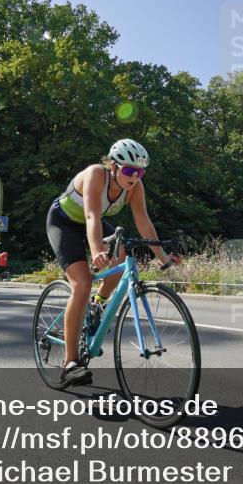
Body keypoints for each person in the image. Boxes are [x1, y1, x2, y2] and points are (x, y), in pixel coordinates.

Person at [46, 139, 180, 386]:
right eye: (129, 170)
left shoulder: (135, 187)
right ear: (114, 166)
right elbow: (91, 215)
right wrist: (97, 250)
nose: (135, 176)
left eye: (140, 172)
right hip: (64, 223)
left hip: (91, 224)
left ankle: (97, 303)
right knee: (82, 284)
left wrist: (163, 257)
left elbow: (144, 223)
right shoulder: (96, 174)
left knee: (122, 257)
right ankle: (70, 363)